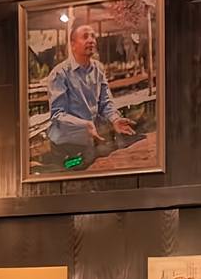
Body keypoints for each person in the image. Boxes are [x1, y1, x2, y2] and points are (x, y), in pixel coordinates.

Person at [46, 20, 138, 169]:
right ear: (73, 44)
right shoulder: (59, 74)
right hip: (66, 144)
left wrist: (115, 119)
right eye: (85, 36)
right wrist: (85, 124)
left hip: (90, 139)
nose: (91, 40)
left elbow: (105, 102)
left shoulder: (98, 69)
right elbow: (57, 115)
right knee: (72, 175)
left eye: (93, 36)